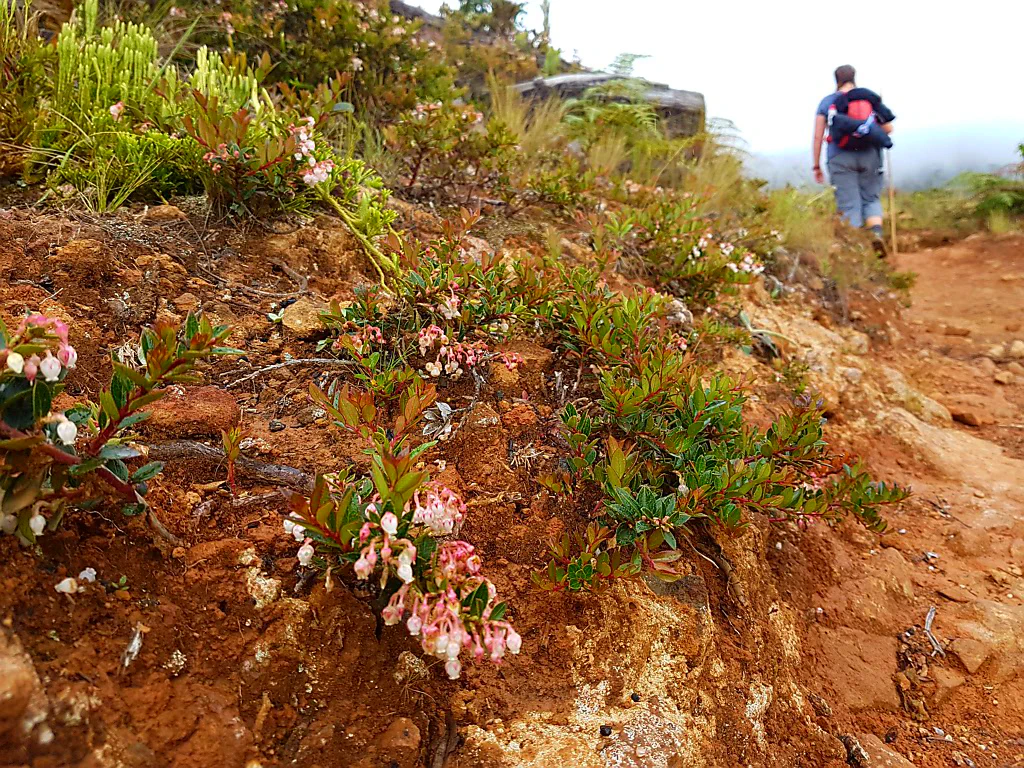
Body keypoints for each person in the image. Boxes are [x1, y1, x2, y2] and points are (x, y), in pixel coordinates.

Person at [812, 65, 895, 247]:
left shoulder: (827, 102)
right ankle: (876, 235)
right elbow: (889, 129)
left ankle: (855, 250)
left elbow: (818, 136)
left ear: (836, 79)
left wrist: (816, 166)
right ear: (854, 77)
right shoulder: (868, 98)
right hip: (870, 156)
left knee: (849, 204)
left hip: (839, 157)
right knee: (871, 199)